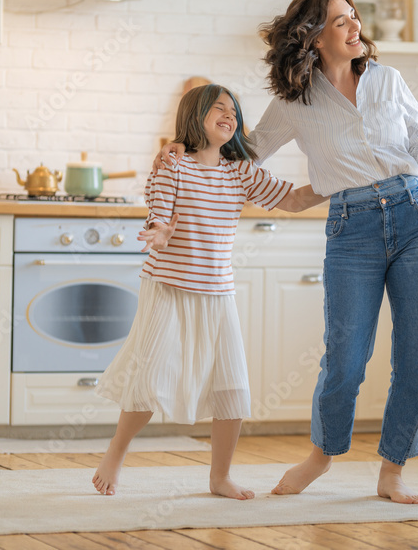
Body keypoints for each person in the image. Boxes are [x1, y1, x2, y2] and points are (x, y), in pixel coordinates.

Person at [156, 0, 418, 504]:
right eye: (340, 21)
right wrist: (184, 147)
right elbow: (242, 151)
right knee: (345, 356)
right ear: (312, 37)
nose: (354, 26)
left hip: (414, 218)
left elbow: (415, 150)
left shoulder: (389, 81)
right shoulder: (296, 102)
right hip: (351, 227)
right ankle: (321, 455)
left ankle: (392, 469)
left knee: (416, 356)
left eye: (354, 17)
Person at [92, 84, 326, 499]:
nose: (229, 114)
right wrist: (161, 231)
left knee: (231, 385)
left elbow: (291, 199)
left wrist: (341, 180)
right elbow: (160, 214)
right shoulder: (174, 164)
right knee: (150, 374)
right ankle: (115, 452)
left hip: (217, 290)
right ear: (193, 115)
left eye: (233, 111)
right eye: (218, 108)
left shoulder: (240, 171)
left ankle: (220, 477)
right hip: (167, 285)